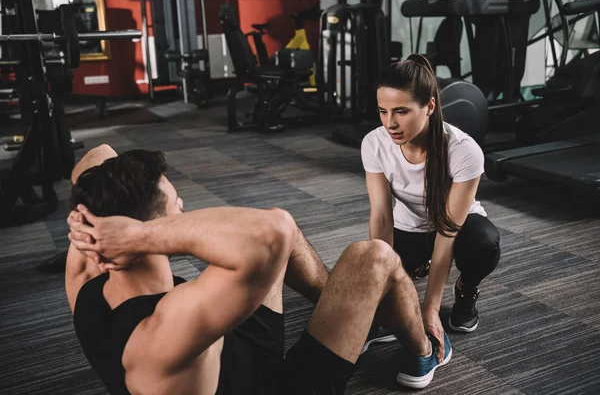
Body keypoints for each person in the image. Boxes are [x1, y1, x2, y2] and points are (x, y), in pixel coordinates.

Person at [66, 144, 452, 394]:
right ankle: (424, 349)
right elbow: (273, 234)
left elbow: (96, 155)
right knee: (376, 258)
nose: (182, 205)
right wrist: (141, 236)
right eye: (175, 204)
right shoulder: (164, 331)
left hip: (235, 362)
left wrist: (114, 225)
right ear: (146, 233)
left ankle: (355, 313)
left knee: (265, 220)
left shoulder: (86, 279)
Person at [361, 55, 501, 352]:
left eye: (401, 111)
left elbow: (448, 231)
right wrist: (382, 291)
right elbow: (382, 218)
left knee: (485, 244)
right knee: (368, 264)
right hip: (407, 226)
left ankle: (466, 290)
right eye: (382, 111)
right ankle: (416, 266)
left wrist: (430, 309)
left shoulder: (464, 150)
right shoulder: (374, 143)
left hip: (457, 228)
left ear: (430, 107)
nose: (390, 123)